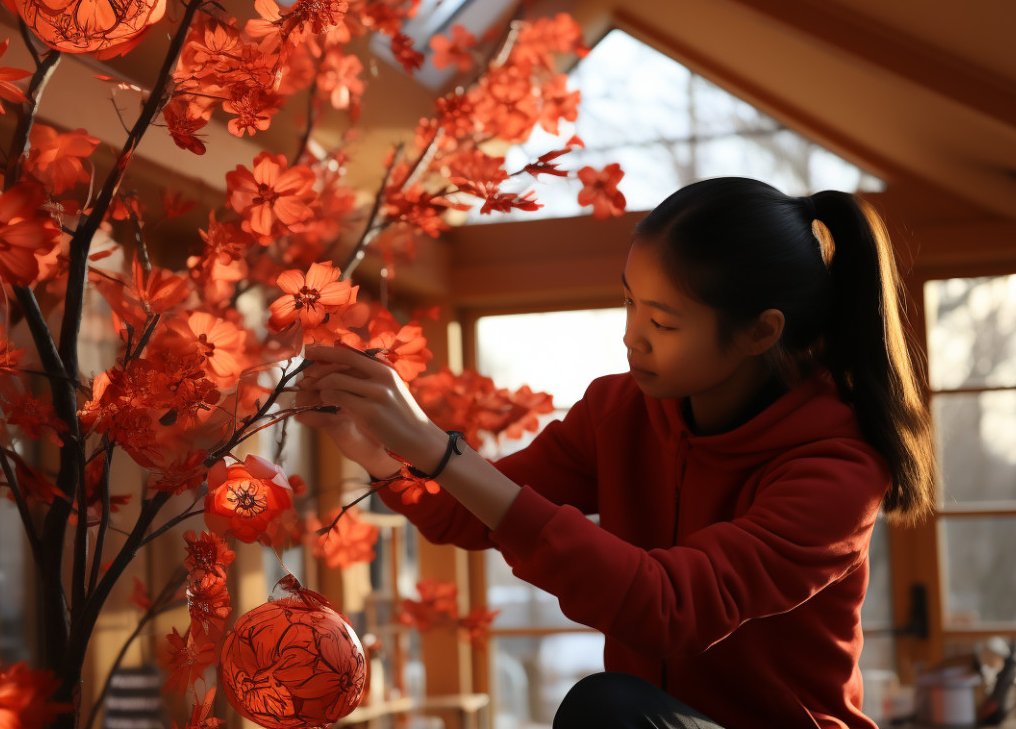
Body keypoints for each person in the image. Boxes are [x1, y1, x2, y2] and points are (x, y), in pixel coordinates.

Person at [292, 177, 937, 729]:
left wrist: (436, 447)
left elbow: (669, 610)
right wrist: (376, 453)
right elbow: (475, 509)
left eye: (663, 322)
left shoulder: (838, 466)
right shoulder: (620, 411)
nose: (632, 337)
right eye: (629, 301)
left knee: (607, 708)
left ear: (760, 332)